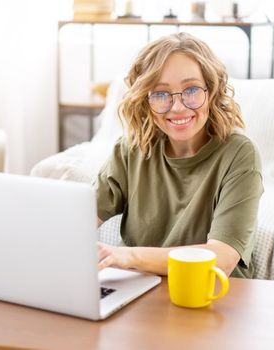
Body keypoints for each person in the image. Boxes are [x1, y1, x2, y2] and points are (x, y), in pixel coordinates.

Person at [94, 32, 263, 278]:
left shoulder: (239, 153)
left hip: (208, 296)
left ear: (212, 91)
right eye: (161, 94)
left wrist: (127, 256)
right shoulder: (131, 149)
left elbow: (222, 259)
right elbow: (78, 223)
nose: (178, 107)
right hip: (137, 289)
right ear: (145, 100)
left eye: (192, 90)